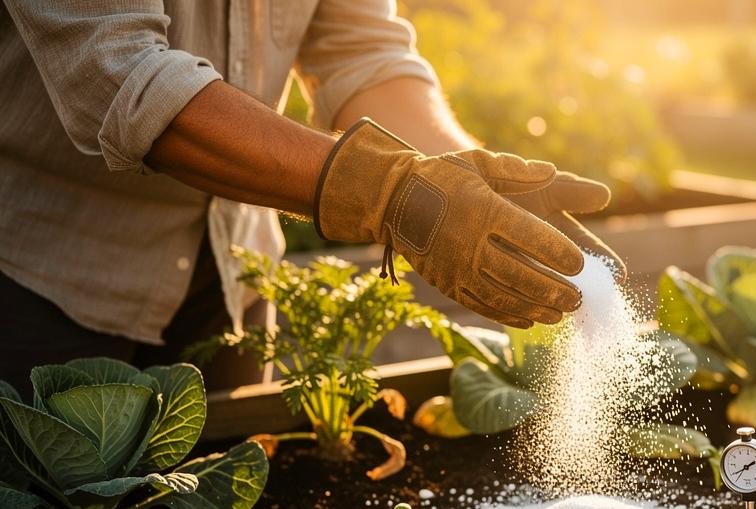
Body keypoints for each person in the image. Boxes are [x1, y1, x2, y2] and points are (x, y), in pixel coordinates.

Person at [0, 1, 625, 397]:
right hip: (45, 274)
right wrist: (389, 192)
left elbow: (362, 54)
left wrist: (463, 177)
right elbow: (123, 76)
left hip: (233, 274)